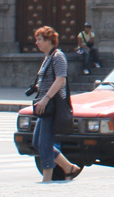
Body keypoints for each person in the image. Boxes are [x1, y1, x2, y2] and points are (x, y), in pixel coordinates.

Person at [29, 26, 81, 183]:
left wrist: (46, 98)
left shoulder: (58, 57)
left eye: (39, 39)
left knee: (45, 142)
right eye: (36, 39)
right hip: (44, 104)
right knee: (37, 141)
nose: (37, 42)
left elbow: (61, 79)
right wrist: (38, 88)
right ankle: (68, 167)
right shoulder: (48, 57)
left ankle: (47, 178)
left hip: (51, 105)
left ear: (49, 40)